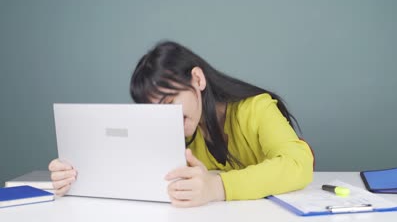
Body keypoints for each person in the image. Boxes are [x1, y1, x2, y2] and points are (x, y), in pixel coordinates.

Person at [48, 41, 314, 207]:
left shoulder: (256, 108)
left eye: (169, 100)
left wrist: (216, 187)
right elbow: (135, 176)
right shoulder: (178, 136)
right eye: (154, 109)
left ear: (197, 79)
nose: (166, 115)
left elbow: (298, 164)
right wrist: (74, 176)